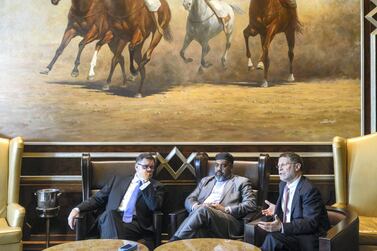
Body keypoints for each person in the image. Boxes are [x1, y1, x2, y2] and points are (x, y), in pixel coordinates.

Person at [67, 153, 164, 250]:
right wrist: (77, 209)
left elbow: (154, 206)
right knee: (110, 214)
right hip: (110, 218)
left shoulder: (156, 186)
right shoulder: (118, 180)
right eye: (145, 166)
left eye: (151, 167)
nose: (149, 170)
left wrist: (146, 184)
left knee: (111, 229)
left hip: (134, 224)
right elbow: (97, 198)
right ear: (136, 167)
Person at [170, 152, 257, 240]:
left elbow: (251, 204)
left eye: (223, 166)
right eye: (216, 165)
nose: (219, 169)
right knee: (198, 231)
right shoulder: (206, 181)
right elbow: (190, 198)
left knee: (204, 209)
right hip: (202, 217)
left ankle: (173, 242)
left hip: (228, 222)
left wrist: (225, 209)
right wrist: (196, 206)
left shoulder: (241, 182)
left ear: (231, 167)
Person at [257, 152, 330, 251]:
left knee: (273, 239)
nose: (280, 168)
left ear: (297, 167)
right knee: (263, 232)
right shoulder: (283, 185)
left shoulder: (309, 190)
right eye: (278, 165)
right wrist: (277, 208)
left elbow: (310, 223)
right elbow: (290, 208)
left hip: (306, 236)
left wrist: (281, 226)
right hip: (289, 232)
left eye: (283, 164)